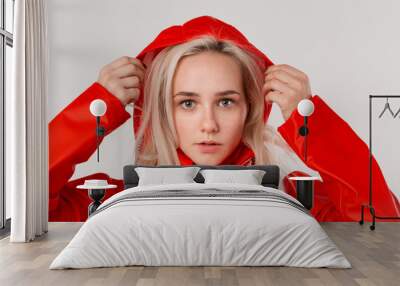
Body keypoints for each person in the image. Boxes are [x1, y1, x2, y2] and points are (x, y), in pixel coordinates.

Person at [49, 15, 400, 222]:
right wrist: (94, 108)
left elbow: (383, 223)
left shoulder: (296, 198)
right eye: (187, 103)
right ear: (159, 111)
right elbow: (28, 204)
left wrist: (313, 125)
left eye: (227, 102)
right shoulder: (112, 200)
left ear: (251, 108)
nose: (209, 125)